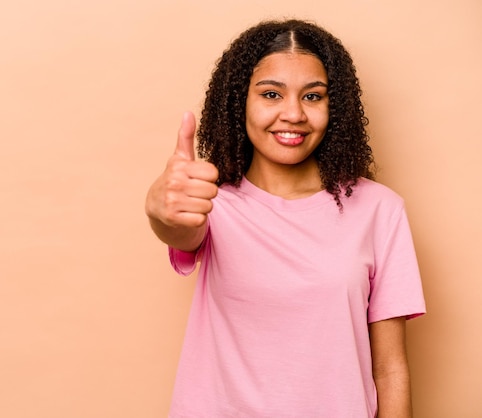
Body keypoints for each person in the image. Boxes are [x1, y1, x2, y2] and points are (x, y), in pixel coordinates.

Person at [145, 19, 426, 418]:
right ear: (239, 101)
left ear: (335, 108)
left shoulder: (380, 210)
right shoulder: (212, 205)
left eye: (313, 97)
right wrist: (159, 209)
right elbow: (178, 226)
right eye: (271, 94)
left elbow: (391, 368)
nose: (293, 113)